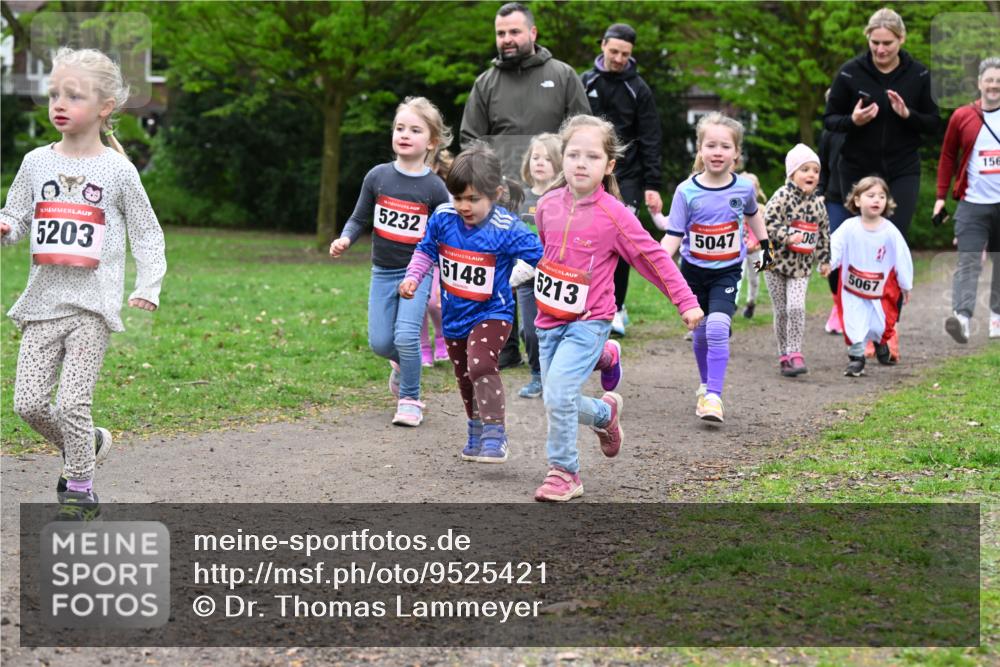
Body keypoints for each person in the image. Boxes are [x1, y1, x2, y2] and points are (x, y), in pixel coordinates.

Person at [0, 47, 167, 520]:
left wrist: (147, 285)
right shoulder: (35, 162)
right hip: (42, 304)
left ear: (105, 106)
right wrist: (7, 228)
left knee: (73, 401)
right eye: (55, 93)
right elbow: (17, 216)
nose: (59, 102)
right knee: (28, 405)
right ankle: (89, 444)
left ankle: (79, 487)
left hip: (92, 307)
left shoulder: (119, 171)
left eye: (73, 95)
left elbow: (148, 232)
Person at [532, 115, 703, 502]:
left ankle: (564, 473)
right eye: (573, 154)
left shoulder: (615, 214)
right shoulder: (545, 206)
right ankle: (605, 410)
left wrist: (686, 301)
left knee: (558, 395)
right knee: (555, 397)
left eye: (591, 156)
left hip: (590, 320)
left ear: (608, 166)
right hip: (548, 320)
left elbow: (654, 259)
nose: (579, 162)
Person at [461, 2, 590, 370]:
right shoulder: (485, 83)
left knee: (548, 264)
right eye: (501, 33)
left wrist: (569, 180)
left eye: (514, 32)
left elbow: (582, 131)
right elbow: (471, 138)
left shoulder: (562, 75)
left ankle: (551, 343)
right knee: (500, 266)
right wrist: (490, 181)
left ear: (532, 33)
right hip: (501, 193)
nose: (507, 40)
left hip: (554, 194)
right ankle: (504, 347)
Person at [399, 144, 543, 463]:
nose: (464, 206)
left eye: (473, 199)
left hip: (493, 312)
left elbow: (542, 259)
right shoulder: (443, 218)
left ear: (497, 193)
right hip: (454, 316)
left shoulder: (507, 229)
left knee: (481, 364)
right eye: (458, 197)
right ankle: (475, 430)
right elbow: (426, 249)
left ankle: (495, 434)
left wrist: (542, 279)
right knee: (465, 376)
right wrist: (413, 277)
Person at [330, 97, 452, 427]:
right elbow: (358, 219)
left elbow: (447, 234)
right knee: (381, 343)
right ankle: (402, 364)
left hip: (418, 272)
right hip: (382, 272)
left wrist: (441, 275)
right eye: (400, 128)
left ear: (431, 142)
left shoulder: (435, 188)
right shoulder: (377, 177)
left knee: (407, 336)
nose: (404, 134)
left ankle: (410, 398)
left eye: (415, 130)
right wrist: (345, 238)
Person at [661, 112, 773, 423]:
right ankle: (705, 385)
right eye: (711, 145)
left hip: (727, 272)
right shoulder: (686, 191)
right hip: (693, 272)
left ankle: (714, 396)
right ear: (699, 150)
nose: (718, 152)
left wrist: (766, 246)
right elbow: (673, 235)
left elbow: (753, 216)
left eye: (725, 146)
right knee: (699, 335)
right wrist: (656, 262)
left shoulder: (743, 189)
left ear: (736, 153)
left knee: (718, 328)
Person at [581, 22, 664, 336]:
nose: (618, 58)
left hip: (627, 176)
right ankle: (587, 302)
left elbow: (651, 138)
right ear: (602, 45)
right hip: (588, 171)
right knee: (587, 237)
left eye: (624, 54)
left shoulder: (639, 89)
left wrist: (652, 185)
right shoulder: (584, 81)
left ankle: (616, 307)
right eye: (613, 51)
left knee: (621, 239)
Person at [935, 57, 1000, 343]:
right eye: (990, 80)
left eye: (999, 80)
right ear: (979, 83)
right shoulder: (963, 116)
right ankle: (962, 319)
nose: (994, 85)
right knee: (968, 261)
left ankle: (997, 318)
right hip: (972, 203)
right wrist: (940, 197)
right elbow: (948, 156)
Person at [825, 176, 913, 377]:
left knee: (879, 324)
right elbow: (835, 247)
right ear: (857, 200)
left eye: (882, 196)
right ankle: (857, 358)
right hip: (853, 288)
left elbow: (902, 258)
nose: (876, 200)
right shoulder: (849, 227)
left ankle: (881, 343)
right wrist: (828, 264)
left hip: (880, 292)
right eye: (871, 195)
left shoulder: (890, 232)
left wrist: (905, 285)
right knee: (855, 322)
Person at [763, 144, 831, 376]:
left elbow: (823, 233)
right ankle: (784, 355)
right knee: (781, 311)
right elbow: (767, 222)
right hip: (774, 264)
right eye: (805, 169)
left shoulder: (818, 204)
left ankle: (795, 352)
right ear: (792, 173)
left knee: (796, 307)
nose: (811, 174)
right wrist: (788, 236)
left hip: (801, 266)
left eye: (815, 170)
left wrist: (824, 260)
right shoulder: (781, 197)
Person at [512, 133, 562, 398]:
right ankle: (537, 376)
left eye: (547, 158)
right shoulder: (520, 197)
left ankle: (555, 375)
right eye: (535, 157)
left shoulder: (563, 198)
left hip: (556, 279)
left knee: (555, 330)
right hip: (525, 279)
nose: (539, 163)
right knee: (528, 330)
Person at [818, 88, 849, 335]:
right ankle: (838, 307)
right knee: (833, 256)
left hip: (862, 203)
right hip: (835, 200)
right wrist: (820, 193)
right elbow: (823, 168)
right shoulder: (829, 133)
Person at [421, 149, 454, 366]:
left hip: (439, 257)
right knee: (416, 304)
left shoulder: (447, 191)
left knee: (434, 303)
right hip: (413, 254)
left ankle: (441, 336)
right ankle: (423, 346)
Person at [736, 172, 767, 319]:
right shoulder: (736, 206)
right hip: (740, 249)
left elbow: (762, 229)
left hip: (755, 250)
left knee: (754, 279)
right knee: (738, 276)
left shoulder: (761, 209)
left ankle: (751, 302)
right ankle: (732, 304)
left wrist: (755, 243)